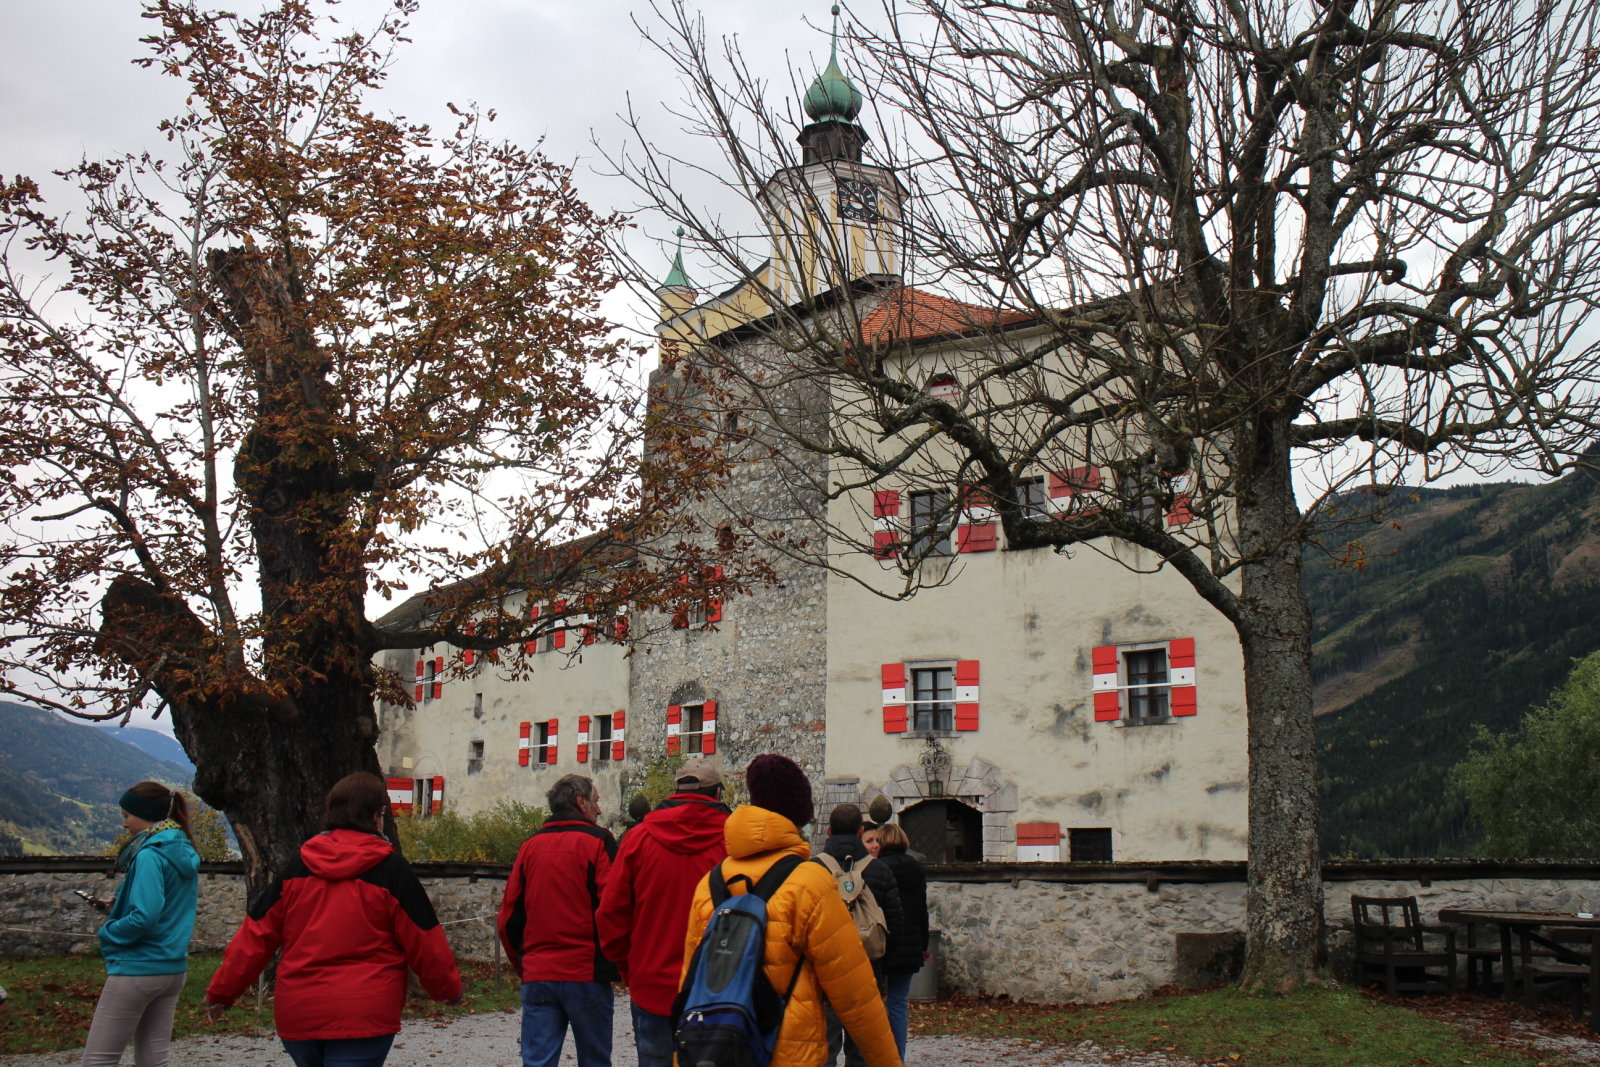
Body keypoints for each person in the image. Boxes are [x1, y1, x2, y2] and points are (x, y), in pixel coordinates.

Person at [204, 772, 461, 1067]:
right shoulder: (391, 870)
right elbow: (424, 937)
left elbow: (256, 935)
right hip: (365, 1010)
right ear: (376, 816)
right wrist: (447, 989)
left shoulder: (298, 867)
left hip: (300, 1010)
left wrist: (222, 992)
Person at [682, 754, 900, 1067]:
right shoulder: (810, 883)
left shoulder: (711, 883)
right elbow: (856, 996)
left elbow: (690, 986)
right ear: (799, 817)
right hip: (792, 1053)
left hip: (724, 1050)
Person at [597, 756, 730, 1067]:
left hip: (653, 983)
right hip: (717, 988)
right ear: (717, 794)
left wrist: (629, 969)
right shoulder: (734, 839)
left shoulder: (639, 837)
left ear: (675, 791)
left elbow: (611, 914)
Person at [498, 774, 617, 1067]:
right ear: (581, 802)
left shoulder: (530, 847)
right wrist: (617, 962)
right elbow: (614, 908)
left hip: (539, 972)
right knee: (595, 1061)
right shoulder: (598, 842)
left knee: (537, 1062)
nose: (599, 809)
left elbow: (509, 918)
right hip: (586, 972)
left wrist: (523, 965)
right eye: (596, 801)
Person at [81, 781, 200, 1067]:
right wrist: (118, 905)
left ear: (145, 814)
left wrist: (108, 931)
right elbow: (167, 905)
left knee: (99, 1060)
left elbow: (145, 916)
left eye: (127, 816)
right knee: (153, 1061)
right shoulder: (182, 850)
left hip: (139, 967)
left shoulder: (149, 854)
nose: (124, 824)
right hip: (172, 967)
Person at [821, 803, 906, 1067]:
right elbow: (895, 924)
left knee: (824, 1047)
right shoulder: (879, 870)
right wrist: (883, 966)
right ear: (860, 832)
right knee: (861, 1049)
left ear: (829, 831)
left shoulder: (813, 869)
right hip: (867, 969)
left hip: (825, 970)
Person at [873, 822, 928, 1061]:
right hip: (910, 942)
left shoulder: (877, 868)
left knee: (874, 1001)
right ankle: (898, 1058)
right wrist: (923, 944)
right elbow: (922, 910)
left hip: (882, 942)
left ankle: (877, 1056)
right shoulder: (916, 868)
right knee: (898, 1002)